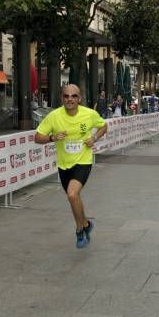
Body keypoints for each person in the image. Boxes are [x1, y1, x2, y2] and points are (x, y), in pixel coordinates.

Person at [34, 84, 108, 249]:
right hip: (64, 165)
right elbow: (37, 137)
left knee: (72, 194)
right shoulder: (54, 116)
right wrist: (52, 138)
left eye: (74, 96)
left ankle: (80, 229)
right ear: (62, 98)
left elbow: (104, 126)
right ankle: (87, 224)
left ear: (79, 98)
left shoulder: (89, 114)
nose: (70, 99)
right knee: (73, 197)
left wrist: (94, 138)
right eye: (66, 96)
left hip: (83, 161)